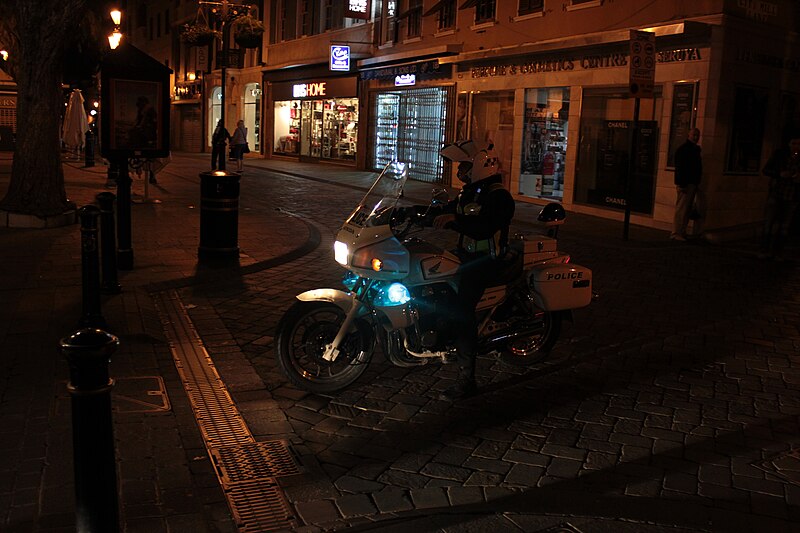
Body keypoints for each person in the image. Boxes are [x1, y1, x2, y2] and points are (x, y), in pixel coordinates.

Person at [408, 140, 516, 401]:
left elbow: (484, 228)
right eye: (459, 167)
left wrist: (457, 222)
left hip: (488, 260)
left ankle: (467, 380)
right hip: (466, 256)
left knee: (461, 309)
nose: (460, 172)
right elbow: (444, 211)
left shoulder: (499, 196)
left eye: (464, 167)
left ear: (480, 166)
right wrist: (407, 213)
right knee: (426, 278)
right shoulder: (469, 193)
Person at [759, 133, 800, 260]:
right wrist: (780, 174)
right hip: (777, 193)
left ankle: (778, 252)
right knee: (769, 223)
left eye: (798, 144)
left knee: (784, 226)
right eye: (793, 143)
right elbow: (766, 170)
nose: (796, 147)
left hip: (792, 196)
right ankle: (764, 250)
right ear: (789, 144)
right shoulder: (780, 155)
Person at [671, 127, 705, 241]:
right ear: (689, 135)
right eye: (694, 135)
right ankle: (676, 232)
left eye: (697, 135)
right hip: (687, 183)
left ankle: (681, 231)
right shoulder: (685, 150)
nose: (696, 137)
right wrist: (682, 184)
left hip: (691, 183)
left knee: (685, 209)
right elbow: (680, 168)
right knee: (682, 209)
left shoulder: (692, 149)